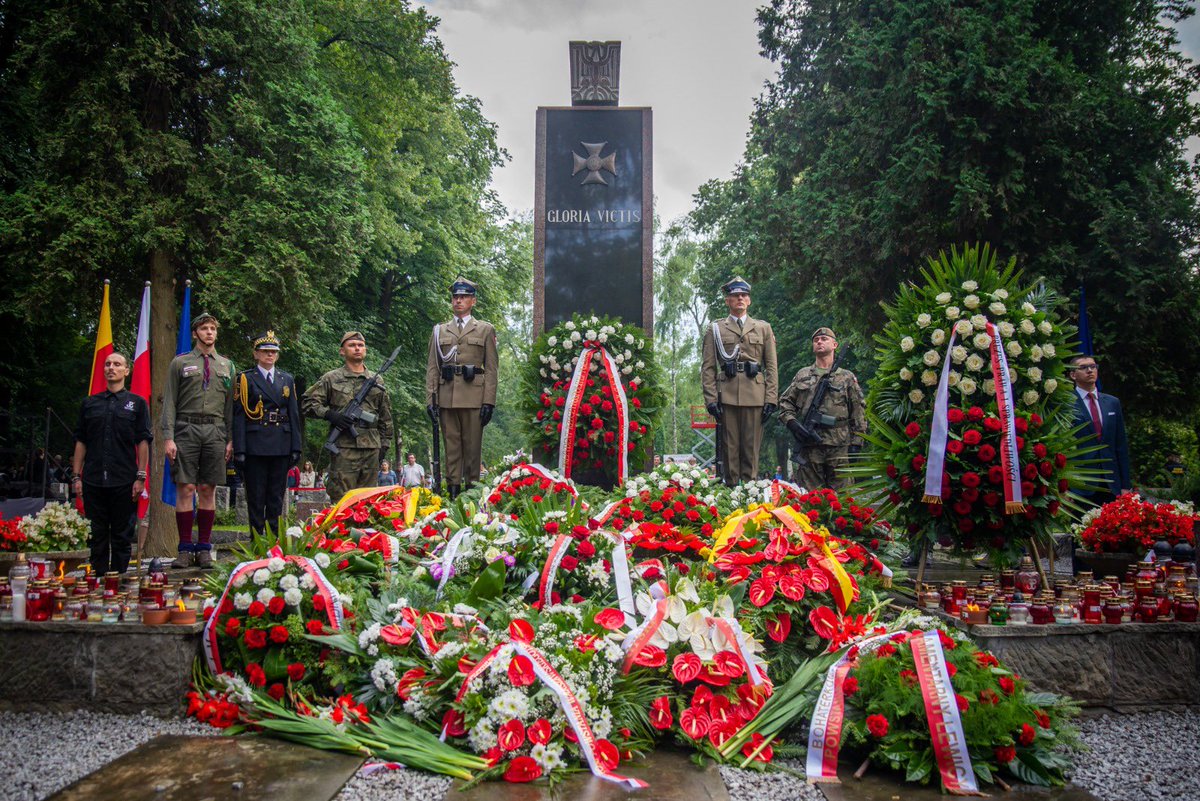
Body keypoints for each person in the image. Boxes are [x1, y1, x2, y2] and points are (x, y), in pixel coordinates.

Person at [161, 312, 235, 568]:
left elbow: (229, 407)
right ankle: (184, 549)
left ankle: (203, 548)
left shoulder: (226, 365)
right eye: (204, 328)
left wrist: (230, 438)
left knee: (207, 489)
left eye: (213, 328)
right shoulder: (180, 363)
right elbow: (169, 400)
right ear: (195, 333)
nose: (209, 333)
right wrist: (168, 437)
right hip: (186, 430)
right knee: (186, 488)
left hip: (215, 431)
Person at [71, 352, 151, 574]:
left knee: (122, 536)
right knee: (96, 535)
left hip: (124, 479)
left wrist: (141, 476)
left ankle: (118, 583)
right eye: (107, 364)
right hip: (93, 479)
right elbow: (81, 441)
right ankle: (97, 579)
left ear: (126, 371)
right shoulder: (89, 404)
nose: (111, 368)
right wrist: (76, 476)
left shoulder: (137, 404)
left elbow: (143, 441)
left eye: (117, 364)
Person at [701, 276, 779, 485]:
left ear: (749, 300)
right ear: (727, 300)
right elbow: (707, 367)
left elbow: (771, 366)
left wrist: (771, 399)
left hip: (755, 394)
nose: (740, 299)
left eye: (744, 295)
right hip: (727, 394)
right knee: (730, 448)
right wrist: (710, 399)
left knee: (751, 449)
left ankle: (751, 489)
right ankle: (732, 489)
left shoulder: (763, 328)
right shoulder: (716, 329)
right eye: (735, 296)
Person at [425, 277, 498, 499]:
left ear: (473, 301)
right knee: (451, 447)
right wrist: (431, 399)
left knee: (473, 448)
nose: (458, 301)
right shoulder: (439, 330)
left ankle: (472, 493)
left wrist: (489, 401)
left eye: (464, 297)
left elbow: (492, 368)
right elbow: (432, 366)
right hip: (447, 395)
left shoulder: (485, 329)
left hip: (474, 395)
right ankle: (453, 492)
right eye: (455, 297)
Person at [303, 331, 393, 503]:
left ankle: (366, 530)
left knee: (369, 500)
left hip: (371, 448)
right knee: (341, 499)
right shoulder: (332, 378)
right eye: (352, 345)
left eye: (360, 345)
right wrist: (330, 415)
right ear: (342, 351)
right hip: (343, 448)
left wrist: (385, 444)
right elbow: (308, 403)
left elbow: (385, 416)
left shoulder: (377, 380)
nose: (357, 348)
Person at [779, 327, 867, 492]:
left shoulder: (846, 377)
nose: (819, 341)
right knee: (811, 499)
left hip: (839, 446)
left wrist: (857, 443)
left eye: (824, 339)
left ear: (835, 344)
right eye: (816, 340)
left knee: (843, 499)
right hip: (809, 448)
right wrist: (792, 423)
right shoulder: (803, 375)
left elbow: (858, 411)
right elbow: (785, 403)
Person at [232, 331, 301, 539]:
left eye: (273, 352)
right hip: (255, 443)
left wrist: (296, 446)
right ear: (256, 354)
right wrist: (240, 448)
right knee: (255, 496)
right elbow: (239, 416)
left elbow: (293, 414)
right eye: (265, 351)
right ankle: (256, 540)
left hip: (281, 441)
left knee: (275, 497)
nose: (269, 355)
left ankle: (273, 539)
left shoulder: (286, 378)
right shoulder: (245, 379)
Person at [1068, 355, 1131, 502]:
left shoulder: (1112, 402)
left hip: (1112, 483)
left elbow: (1120, 445)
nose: (1090, 370)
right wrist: (1065, 487)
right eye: (1083, 367)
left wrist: (1126, 485)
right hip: (1081, 485)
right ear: (1073, 375)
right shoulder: (1066, 403)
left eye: (1093, 366)